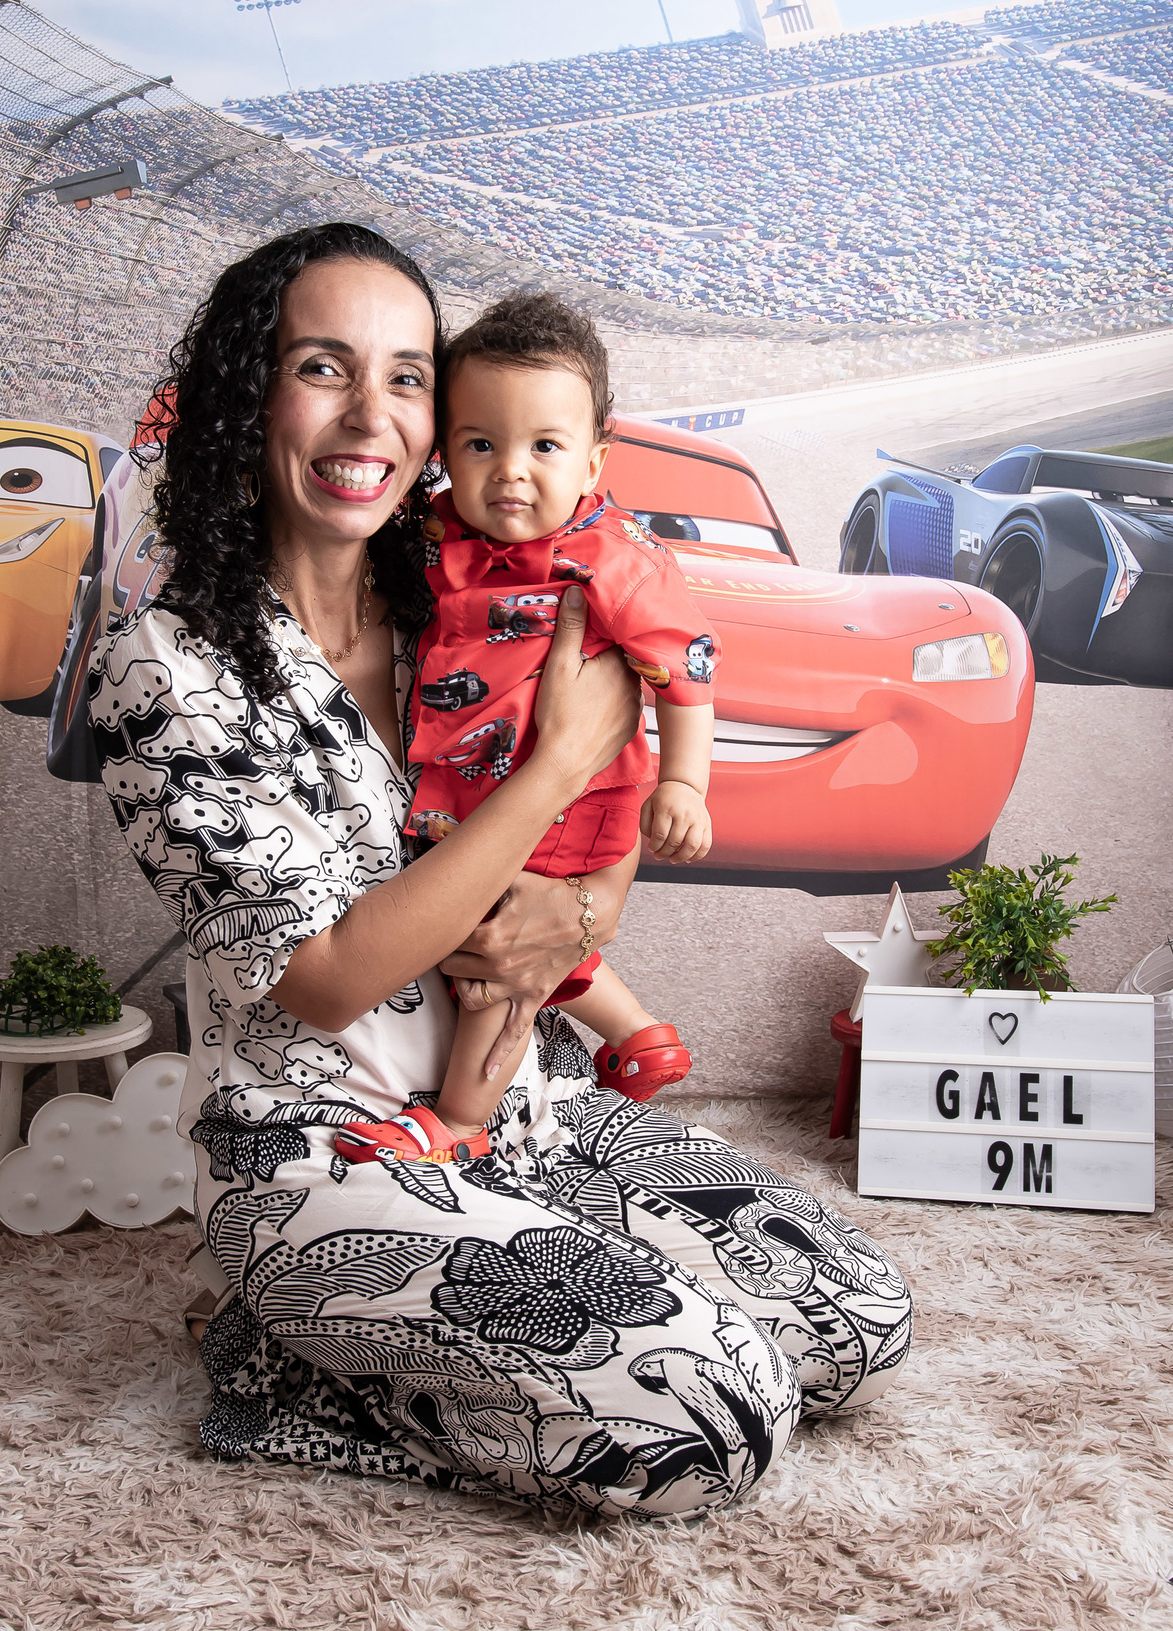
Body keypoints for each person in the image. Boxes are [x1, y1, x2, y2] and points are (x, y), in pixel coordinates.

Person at [88, 222, 912, 1520]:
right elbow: (328, 974)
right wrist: (556, 760)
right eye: (322, 367)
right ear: (249, 395)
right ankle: (273, 1360)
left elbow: (606, 842)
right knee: (722, 1419)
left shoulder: (477, 583)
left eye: (408, 376)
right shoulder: (167, 668)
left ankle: (536, 1283)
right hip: (326, 1158)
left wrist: (576, 906)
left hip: (531, 1105)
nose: (371, 413)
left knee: (856, 1319)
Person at [336, 292, 718, 1170]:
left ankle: (458, 1122)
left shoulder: (613, 558)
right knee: (510, 924)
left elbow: (686, 665)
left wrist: (685, 783)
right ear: (444, 451)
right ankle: (638, 1033)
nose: (510, 471)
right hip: (486, 786)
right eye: (481, 444)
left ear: (594, 460)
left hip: (569, 796)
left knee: (492, 958)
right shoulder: (445, 531)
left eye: (544, 446)